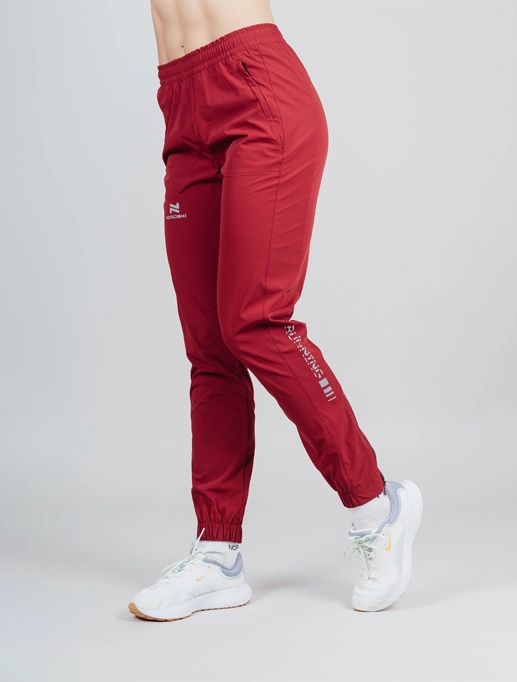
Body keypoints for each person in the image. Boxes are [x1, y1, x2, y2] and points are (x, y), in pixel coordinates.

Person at [128, 0, 423, 621]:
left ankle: (376, 506)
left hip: (253, 87)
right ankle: (217, 556)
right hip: (180, 102)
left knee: (254, 321)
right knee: (210, 347)